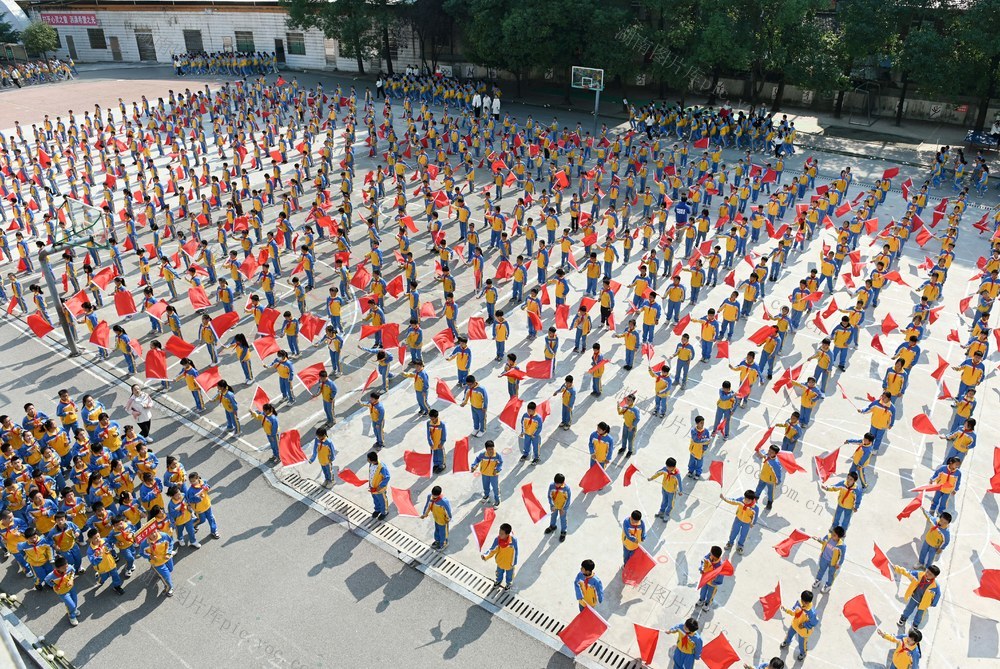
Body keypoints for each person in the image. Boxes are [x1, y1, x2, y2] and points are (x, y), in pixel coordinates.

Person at [895, 564, 941, 632]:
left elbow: (938, 594)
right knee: (908, 609)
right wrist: (898, 569)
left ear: (935, 576)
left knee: (920, 615)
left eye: (930, 574)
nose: (927, 574)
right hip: (914, 597)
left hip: (923, 603)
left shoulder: (935, 586)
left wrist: (933, 603)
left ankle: (915, 624)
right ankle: (903, 618)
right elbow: (908, 572)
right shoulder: (919, 574)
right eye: (927, 571)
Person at [780, 590, 817, 661]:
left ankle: (803, 653)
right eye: (802, 600)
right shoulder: (799, 603)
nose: (803, 603)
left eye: (805, 602)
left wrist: (804, 625)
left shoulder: (811, 612)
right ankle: (786, 642)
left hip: (803, 631)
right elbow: (794, 611)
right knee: (789, 635)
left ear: (809, 602)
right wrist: (786, 610)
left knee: (802, 644)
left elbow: (814, 623)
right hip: (795, 625)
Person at [44, 556, 81, 625]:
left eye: (66, 566)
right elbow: (47, 581)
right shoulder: (51, 576)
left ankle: (73, 610)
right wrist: (55, 586)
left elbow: (73, 571)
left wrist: (71, 579)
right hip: (62, 592)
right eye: (63, 568)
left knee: (75, 601)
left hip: (71, 588)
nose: (66, 569)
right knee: (71, 605)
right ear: (57, 568)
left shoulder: (69, 568)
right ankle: (72, 616)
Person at [482, 522, 518, 590]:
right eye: (499, 532)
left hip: (509, 564)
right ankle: (498, 581)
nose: (499, 535)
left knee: (509, 576)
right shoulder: (497, 540)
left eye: (502, 534)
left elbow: (515, 553)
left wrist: (513, 563)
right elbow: (492, 549)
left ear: (507, 534)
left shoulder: (513, 541)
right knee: (499, 573)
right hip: (500, 562)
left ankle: (508, 584)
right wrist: (485, 556)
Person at [812, 526, 846, 593]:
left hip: (833, 563)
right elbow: (823, 541)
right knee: (821, 570)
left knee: (831, 574)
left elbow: (842, 556)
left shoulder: (841, 546)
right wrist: (818, 539)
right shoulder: (828, 536)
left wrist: (838, 564)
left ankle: (828, 585)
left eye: (834, 535)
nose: (832, 536)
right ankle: (818, 580)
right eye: (832, 533)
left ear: (839, 537)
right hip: (824, 558)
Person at [472, 440, 503, 507]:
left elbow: (500, 463)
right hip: (485, 473)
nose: (491, 451)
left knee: (495, 488)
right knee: (485, 486)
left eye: (492, 449)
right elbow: (477, 460)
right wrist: (474, 466)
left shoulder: (497, 455)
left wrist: (497, 470)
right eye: (489, 449)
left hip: (493, 475)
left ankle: (497, 500)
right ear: (486, 449)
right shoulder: (482, 455)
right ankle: (486, 495)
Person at [421, 485, 452, 550]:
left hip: (443, 520)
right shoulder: (430, 497)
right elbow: (427, 506)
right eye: (433, 495)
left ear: (439, 494)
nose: (434, 497)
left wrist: (448, 519)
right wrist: (424, 514)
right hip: (436, 518)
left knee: (443, 532)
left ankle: (444, 543)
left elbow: (448, 511)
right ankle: (437, 540)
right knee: (437, 530)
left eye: (435, 496)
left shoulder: (444, 502)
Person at [367, 451, 390, 520]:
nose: (367, 460)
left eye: (368, 459)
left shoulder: (382, 468)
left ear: (371, 460)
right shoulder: (371, 464)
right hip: (373, 488)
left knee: (382, 500)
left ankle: (384, 512)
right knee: (375, 499)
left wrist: (380, 486)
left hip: (379, 489)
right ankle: (377, 510)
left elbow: (387, 477)